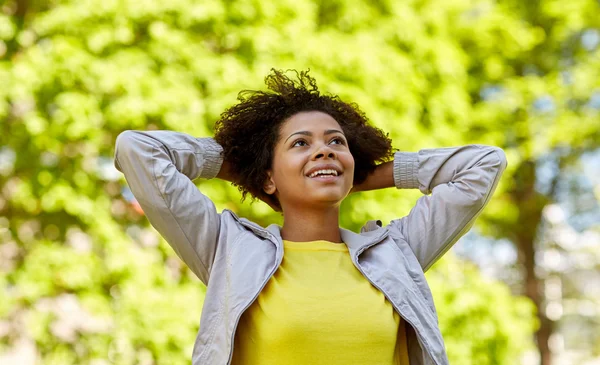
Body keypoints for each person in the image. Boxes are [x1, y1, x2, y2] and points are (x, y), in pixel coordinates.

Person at [114, 69, 507, 365]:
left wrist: (367, 176)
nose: (324, 151)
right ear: (269, 174)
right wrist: (246, 171)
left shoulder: (397, 254)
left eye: (336, 142)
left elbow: (483, 165)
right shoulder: (227, 251)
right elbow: (139, 150)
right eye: (301, 143)